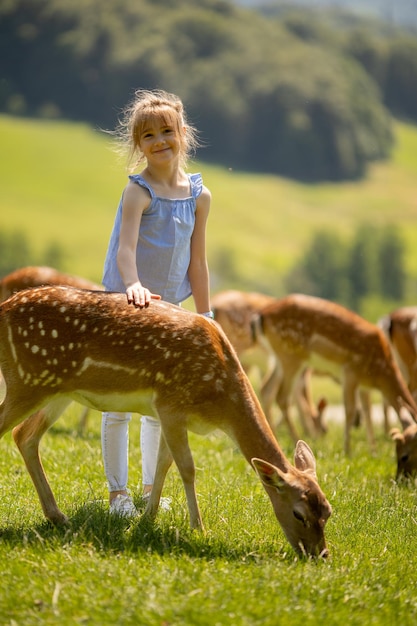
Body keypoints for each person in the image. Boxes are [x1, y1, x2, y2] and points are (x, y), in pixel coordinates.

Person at [101, 89, 212, 516]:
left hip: (171, 312)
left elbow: (198, 263)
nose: (160, 140)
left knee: (157, 405)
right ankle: (118, 496)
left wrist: (205, 317)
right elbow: (125, 249)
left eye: (167, 131)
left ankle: (151, 490)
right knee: (117, 404)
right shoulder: (138, 192)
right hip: (127, 303)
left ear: (183, 133)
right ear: (138, 145)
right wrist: (133, 285)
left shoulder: (199, 196)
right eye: (148, 135)